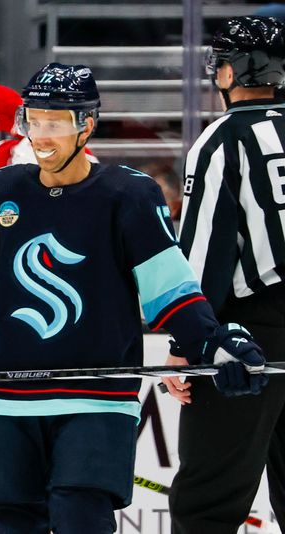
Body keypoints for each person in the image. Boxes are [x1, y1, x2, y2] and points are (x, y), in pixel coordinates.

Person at [0, 62, 268, 534]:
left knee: (81, 517)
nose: (42, 136)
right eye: (33, 121)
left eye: (56, 123)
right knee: (11, 524)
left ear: (86, 125)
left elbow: (172, 293)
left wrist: (211, 343)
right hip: (7, 399)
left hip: (97, 399)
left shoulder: (127, 196)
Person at [161, 16, 285, 533]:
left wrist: (186, 341)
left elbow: (205, 252)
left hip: (249, 336)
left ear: (230, 73)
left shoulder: (223, 139)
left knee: (208, 503)